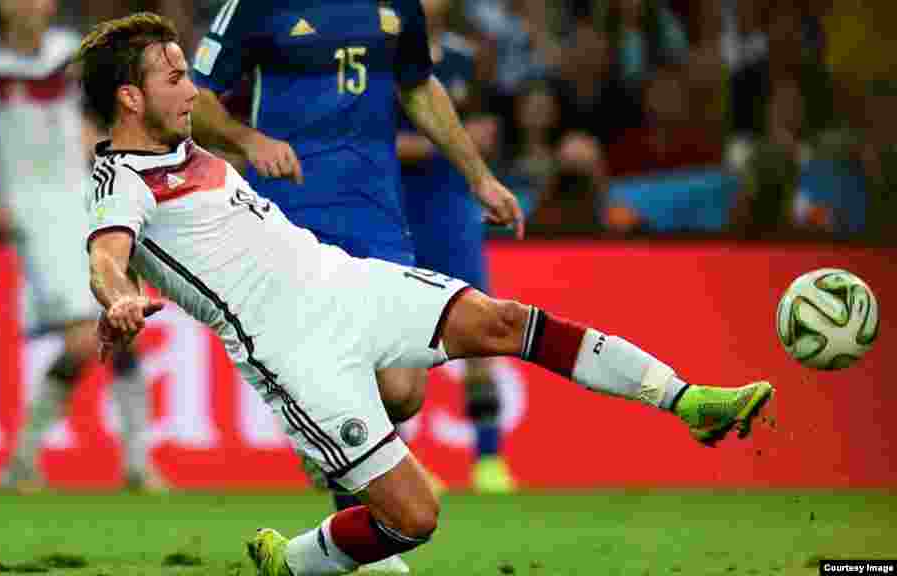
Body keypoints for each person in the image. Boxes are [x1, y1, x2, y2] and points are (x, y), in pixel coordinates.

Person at [76, 13, 775, 576]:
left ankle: (688, 401)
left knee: (505, 322)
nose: (192, 88)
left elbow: (397, 93)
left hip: (345, 282)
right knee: (413, 519)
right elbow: (108, 256)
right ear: (131, 98)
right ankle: (291, 564)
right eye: (174, 78)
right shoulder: (120, 181)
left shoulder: (191, 144)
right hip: (295, 352)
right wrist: (118, 297)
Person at [186, 0, 524, 561]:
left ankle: (323, 442)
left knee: (402, 391)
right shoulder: (253, 7)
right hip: (291, 216)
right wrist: (248, 140)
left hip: (379, 216)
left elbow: (419, 87)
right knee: (338, 380)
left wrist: (479, 177)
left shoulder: (397, 8)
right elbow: (193, 99)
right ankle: (349, 537)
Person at [0, 0, 159, 491]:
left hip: (84, 201)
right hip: (30, 212)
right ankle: (26, 456)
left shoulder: (71, 54)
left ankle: (136, 463)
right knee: (86, 334)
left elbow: (99, 122)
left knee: (122, 323)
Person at [395, 0, 513, 493]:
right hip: (396, 208)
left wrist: (480, 141)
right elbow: (376, 140)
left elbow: (487, 129)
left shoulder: (468, 58)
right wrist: (446, 141)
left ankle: (489, 460)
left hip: (451, 213)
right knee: (394, 344)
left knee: (480, 332)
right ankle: (402, 468)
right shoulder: (381, 52)